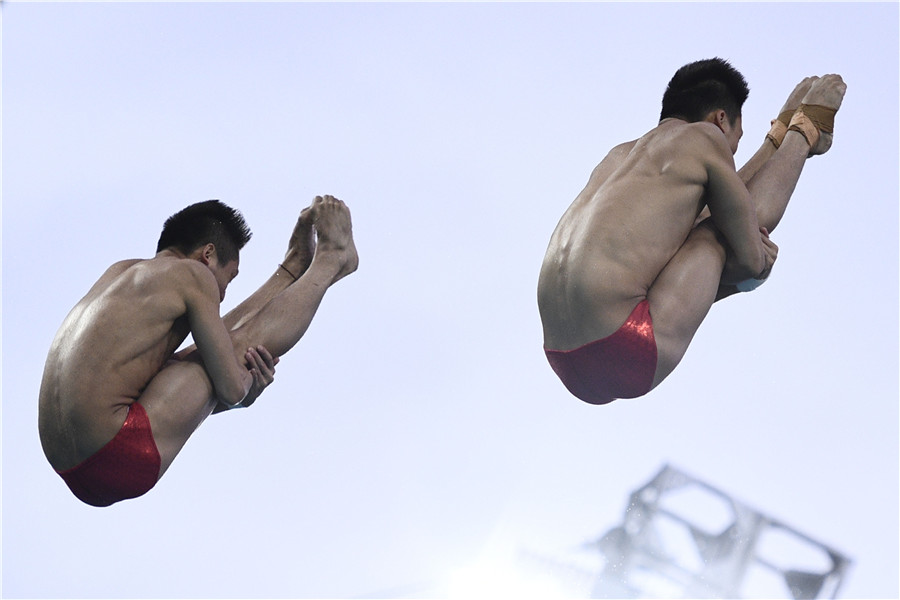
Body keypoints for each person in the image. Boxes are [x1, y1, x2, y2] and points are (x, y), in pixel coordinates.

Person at [538, 58, 846, 405]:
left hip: (561, 357)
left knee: (708, 229)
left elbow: (717, 210)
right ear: (719, 120)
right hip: (626, 347)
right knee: (720, 238)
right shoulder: (705, 137)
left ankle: (789, 135)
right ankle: (807, 135)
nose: (730, 153)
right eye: (734, 144)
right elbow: (746, 248)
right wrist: (799, 131)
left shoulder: (618, 158)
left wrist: (772, 143)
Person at [39, 195, 358, 506]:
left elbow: (213, 345)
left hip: (68, 464)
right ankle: (333, 257)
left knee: (204, 355)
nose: (221, 294)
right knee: (234, 353)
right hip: (119, 455)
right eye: (228, 279)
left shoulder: (120, 273)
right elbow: (232, 387)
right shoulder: (194, 275)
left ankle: (293, 266)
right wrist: (246, 387)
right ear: (208, 254)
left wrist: (290, 271)